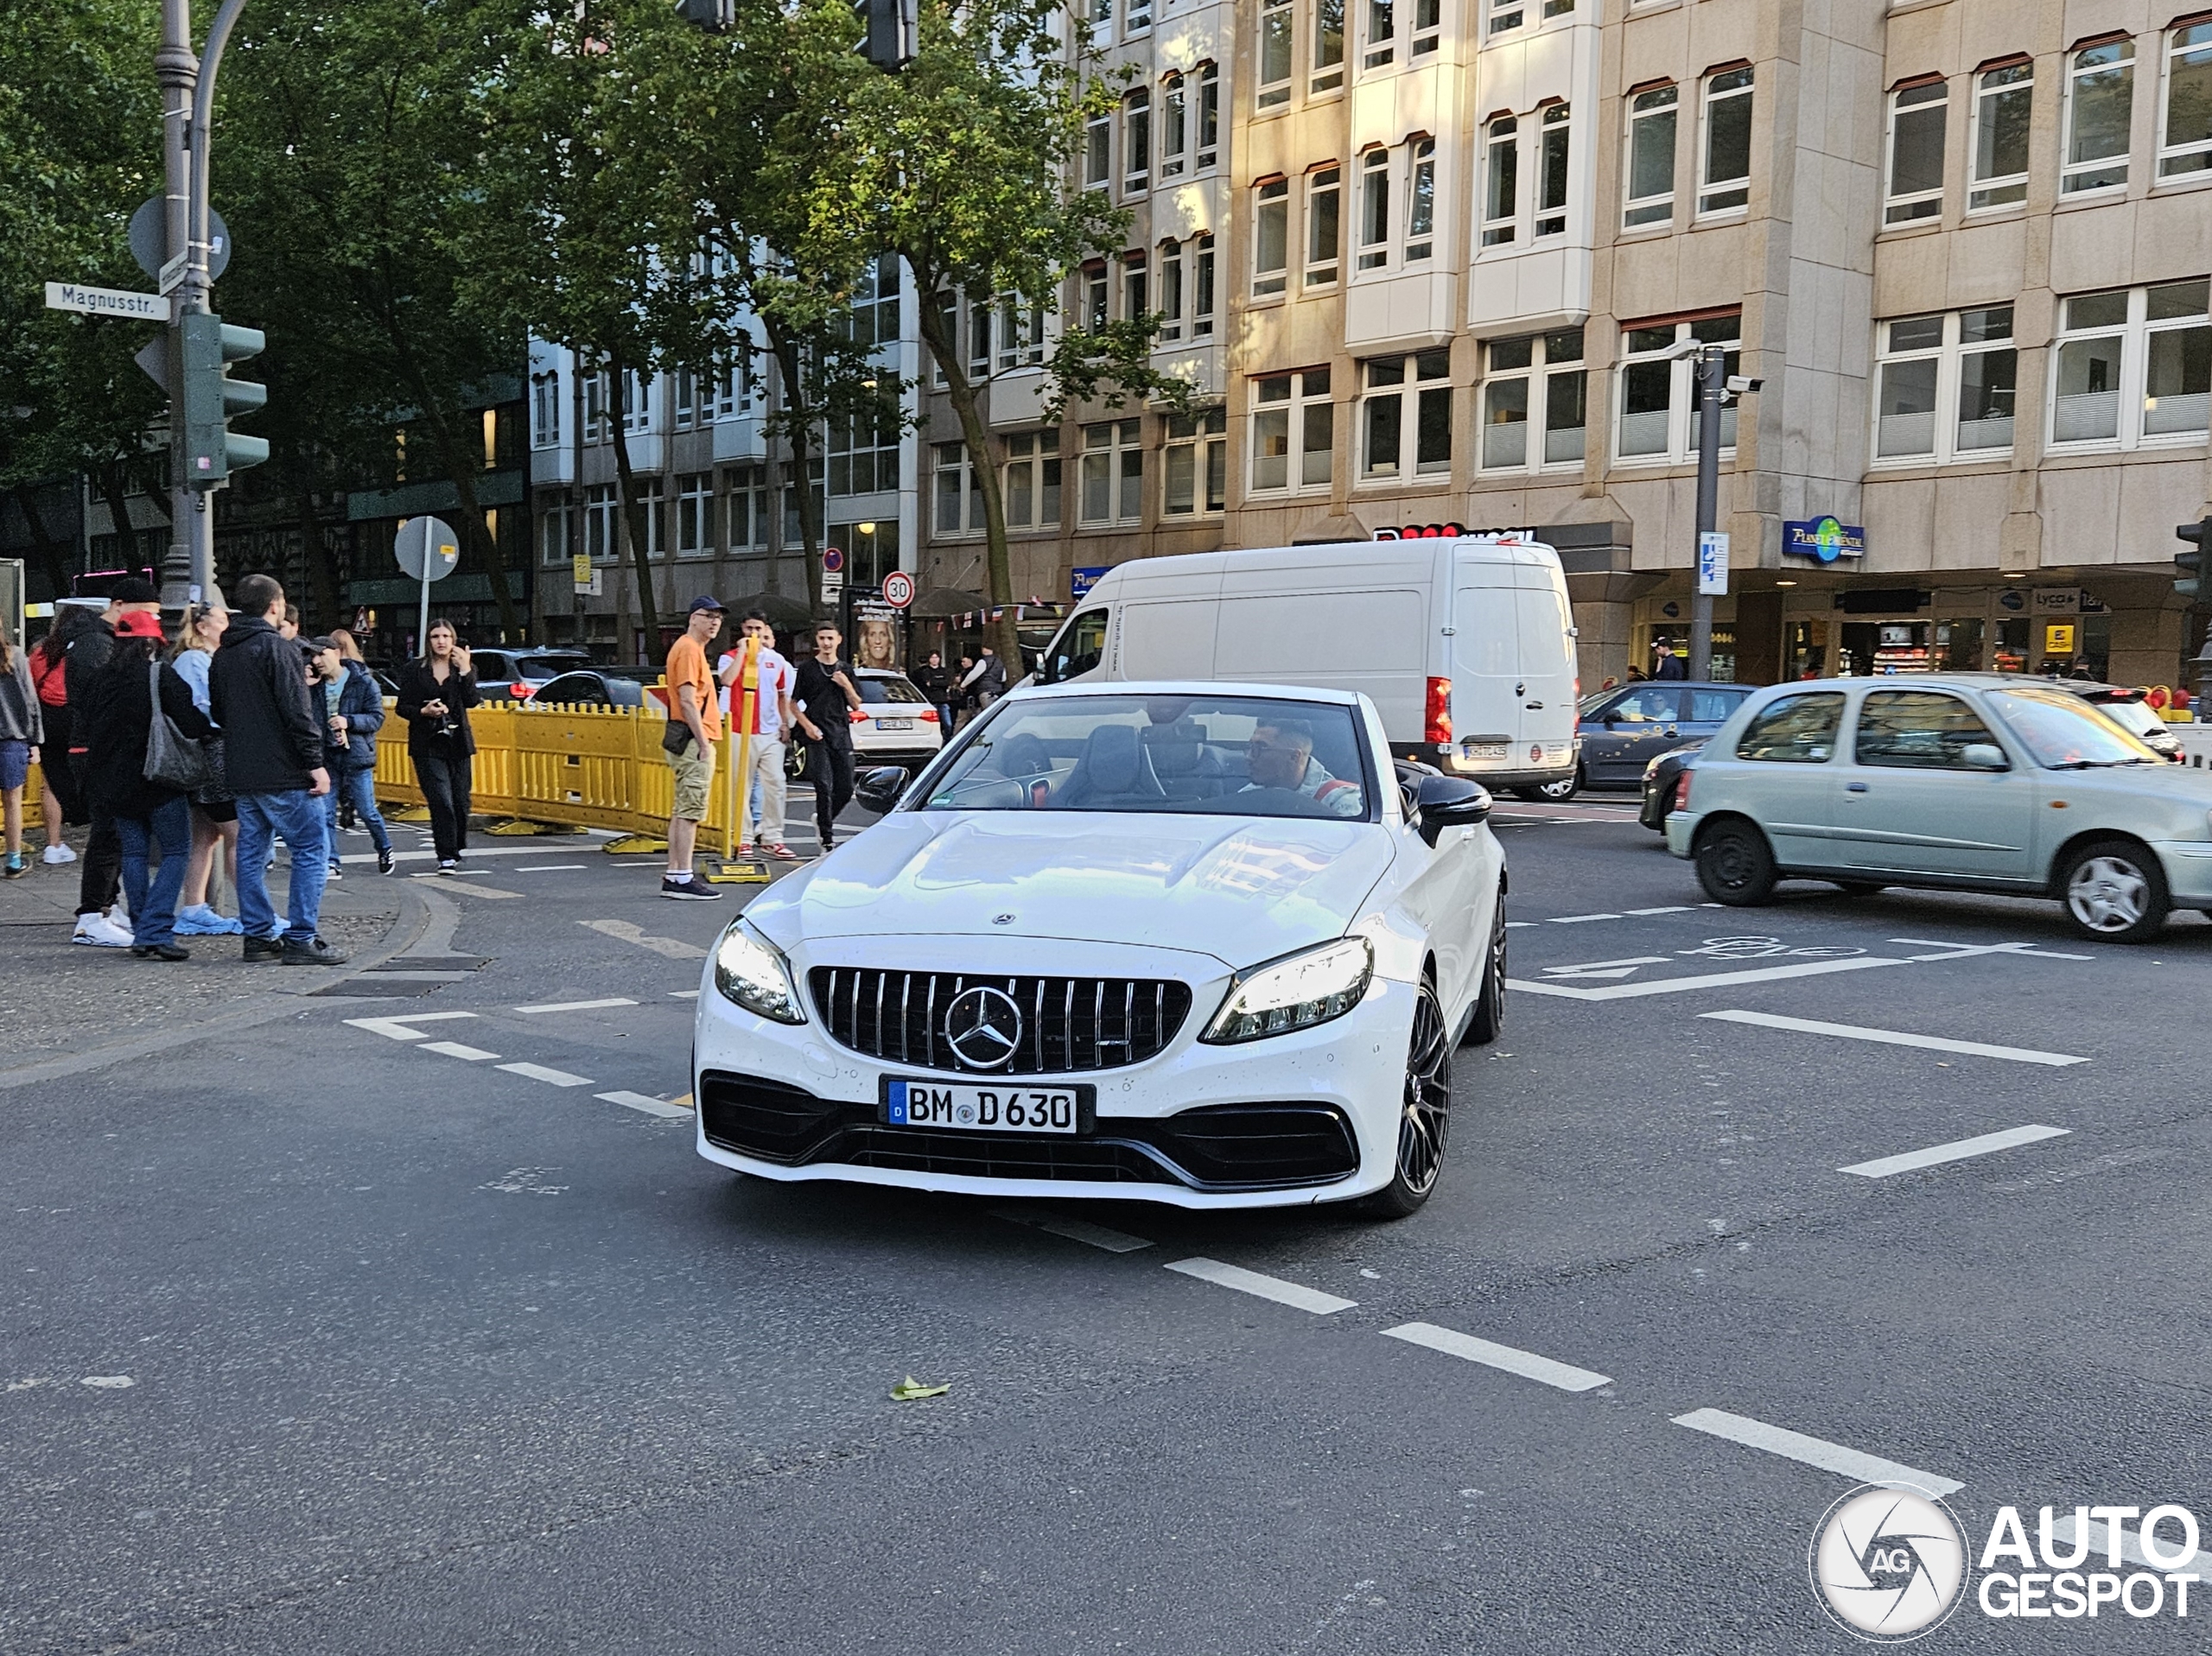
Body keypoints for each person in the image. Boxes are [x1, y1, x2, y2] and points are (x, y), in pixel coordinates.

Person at [210, 574, 346, 965]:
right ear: (275, 605)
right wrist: (314, 764)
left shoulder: (225, 653)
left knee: (251, 852)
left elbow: (219, 712)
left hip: (242, 769)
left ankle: (257, 935)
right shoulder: (277, 649)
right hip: (284, 770)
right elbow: (297, 714)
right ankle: (301, 936)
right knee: (309, 848)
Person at [75, 609, 213, 959]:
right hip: (158, 778)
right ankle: (156, 929)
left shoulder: (99, 678)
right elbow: (192, 722)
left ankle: (141, 929)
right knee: (176, 852)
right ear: (151, 641)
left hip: (112, 783)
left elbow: (86, 725)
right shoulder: (158, 675)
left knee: (133, 853)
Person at [68, 578, 163, 947]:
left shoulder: (96, 640)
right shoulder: (97, 644)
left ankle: (105, 907)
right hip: (98, 748)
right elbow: (98, 700)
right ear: (120, 605)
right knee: (108, 833)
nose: (149, 623)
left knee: (115, 833)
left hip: (100, 746)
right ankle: (92, 915)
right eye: (146, 613)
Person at [168, 602, 244, 936]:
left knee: (206, 835)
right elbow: (204, 709)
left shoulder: (198, 659)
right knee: (237, 834)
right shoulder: (196, 661)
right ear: (202, 626)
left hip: (205, 754)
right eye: (221, 619)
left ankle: (194, 906)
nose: (226, 625)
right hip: (213, 753)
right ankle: (252, 912)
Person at [394, 619, 479, 873]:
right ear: (428, 641)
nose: (441, 641)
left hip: (458, 743)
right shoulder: (414, 669)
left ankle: (455, 845)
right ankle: (446, 856)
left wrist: (465, 671)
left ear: (453, 640)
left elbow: (472, 701)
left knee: (461, 802)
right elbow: (402, 707)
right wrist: (424, 711)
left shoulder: (463, 668)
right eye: (435, 636)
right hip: (427, 743)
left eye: (445, 636)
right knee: (441, 800)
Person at [716, 611, 798, 861]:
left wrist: (785, 724)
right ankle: (743, 838)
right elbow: (727, 680)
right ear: (742, 629)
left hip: (770, 730)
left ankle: (773, 837)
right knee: (740, 786)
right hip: (740, 729)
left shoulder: (776, 660)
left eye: (758, 628)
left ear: (765, 629)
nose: (753, 633)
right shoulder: (728, 657)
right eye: (749, 628)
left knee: (776, 784)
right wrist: (743, 652)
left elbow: (783, 694)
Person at [312, 636, 393, 879]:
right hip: (327, 756)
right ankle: (332, 861)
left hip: (356, 755)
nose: (317, 661)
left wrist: (349, 721)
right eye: (313, 656)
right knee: (325, 813)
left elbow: (377, 718)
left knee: (367, 810)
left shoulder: (364, 683)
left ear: (337, 653)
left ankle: (384, 847)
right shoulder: (315, 687)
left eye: (322, 654)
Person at [660, 595, 725, 900]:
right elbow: (687, 701)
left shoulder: (691, 649)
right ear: (692, 618)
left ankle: (676, 872)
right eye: (708, 615)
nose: (714, 622)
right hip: (692, 739)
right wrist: (703, 743)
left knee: (681, 809)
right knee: (690, 810)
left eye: (718, 617)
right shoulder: (688, 649)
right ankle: (682, 876)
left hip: (685, 737)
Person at [27, 603, 94, 864]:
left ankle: (53, 845)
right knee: (89, 774)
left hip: (47, 721)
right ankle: (94, 835)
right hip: (75, 717)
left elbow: (30, 690)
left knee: (50, 782)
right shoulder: (85, 651)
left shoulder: (41, 652)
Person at [793, 622, 861, 853]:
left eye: (830, 638)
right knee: (822, 784)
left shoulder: (846, 670)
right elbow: (793, 704)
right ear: (817, 640)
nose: (826, 643)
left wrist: (846, 685)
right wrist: (807, 726)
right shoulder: (807, 669)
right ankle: (827, 838)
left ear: (838, 640)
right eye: (822, 638)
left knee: (845, 788)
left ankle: (824, 819)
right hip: (816, 733)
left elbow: (856, 703)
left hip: (840, 732)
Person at [1238, 718, 1363, 817]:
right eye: (1251, 746)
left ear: (1294, 757)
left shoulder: (1341, 800)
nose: (1249, 757)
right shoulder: (1248, 795)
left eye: (1261, 749)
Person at [0, 616, 43, 879]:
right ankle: (14, 861)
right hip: (13, 739)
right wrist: (35, 741)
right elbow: (30, 701)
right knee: (13, 802)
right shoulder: (16, 655)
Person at [913, 651, 952, 732]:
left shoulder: (944, 670)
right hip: (931, 701)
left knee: (948, 724)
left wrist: (934, 683)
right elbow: (928, 683)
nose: (934, 660)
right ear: (929, 659)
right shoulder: (925, 671)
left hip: (943, 700)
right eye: (932, 658)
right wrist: (940, 682)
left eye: (936, 658)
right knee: (933, 725)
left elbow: (947, 682)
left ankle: (947, 740)